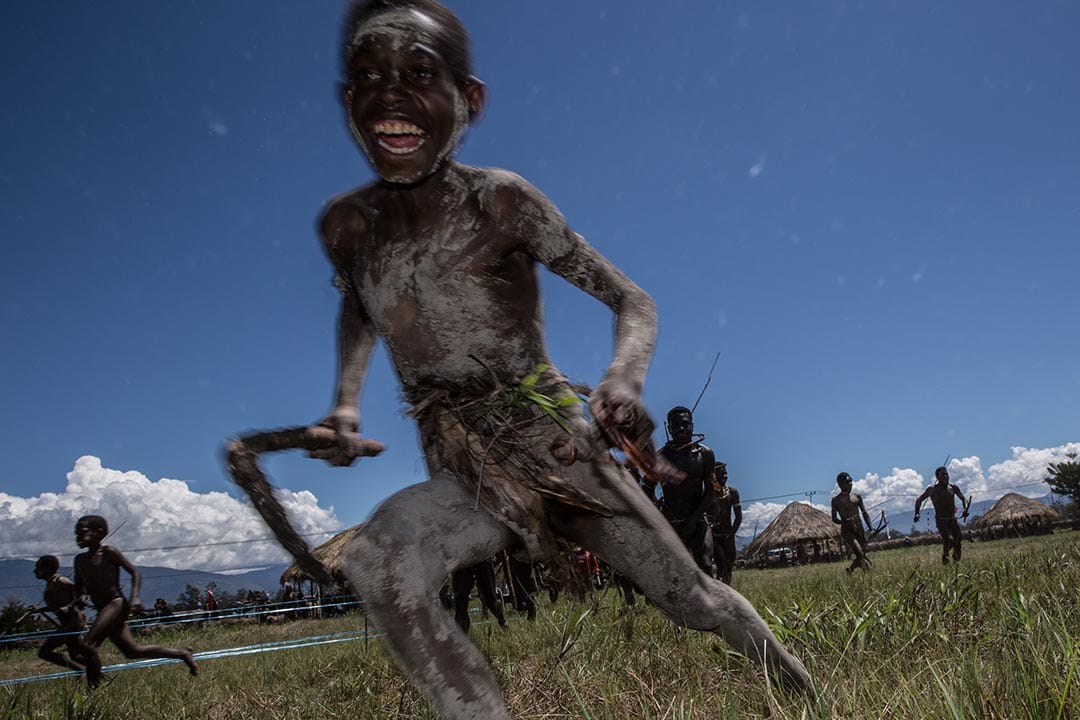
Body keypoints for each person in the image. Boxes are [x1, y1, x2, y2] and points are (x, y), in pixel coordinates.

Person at [243, 1, 810, 716]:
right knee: (377, 559)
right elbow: (360, 304)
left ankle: (806, 694)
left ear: (469, 101)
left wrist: (623, 377)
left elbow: (632, 300)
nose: (392, 95)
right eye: (370, 77)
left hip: (557, 446)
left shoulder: (501, 202)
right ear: (348, 99)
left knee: (695, 599)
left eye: (419, 74)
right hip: (465, 468)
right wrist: (345, 402)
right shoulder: (348, 228)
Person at [70, 515, 198, 688]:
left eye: (83, 532)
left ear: (98, 533)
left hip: (116, 604)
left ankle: (93, 688)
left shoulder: (109, 553)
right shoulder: (79, 560)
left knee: (87, 646)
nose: (78, 537)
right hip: (103, 609)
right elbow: (79, 587)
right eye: (76, 533)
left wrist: (135, 597)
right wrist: (81, 597)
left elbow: (135, 573)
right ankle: (181, 654)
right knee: (132, 651)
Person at [645, 406, 715, 572]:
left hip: (697, 519)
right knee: (671, 570)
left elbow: (710, 491)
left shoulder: (705, 454)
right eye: (676, 425)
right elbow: (647, 489)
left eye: (685, 424)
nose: (681, 428)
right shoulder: (660, 458)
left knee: (705, 564)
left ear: (692, 425)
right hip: (670, 522)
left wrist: (693, 520)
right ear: (669, 429)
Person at [32, 555, 87, 673]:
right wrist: (39, 610)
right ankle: (97, 674)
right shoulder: (50, 583)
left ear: (47, 568)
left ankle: (81, 670)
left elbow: (81, 594)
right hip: (66, 624)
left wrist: (68, 607)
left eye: (38, 568)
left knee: (44, 652)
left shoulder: (61, 581)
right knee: (76, 657)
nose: (35, 571)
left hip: (73, 624)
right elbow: (57, 607)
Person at [914, 466, 968, 564]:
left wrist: (965, 508)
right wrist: (917, 513)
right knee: (948, 540)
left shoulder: (953, 488)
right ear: (937, 477)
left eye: (947, 474)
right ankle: (945, 562)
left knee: (958, 540)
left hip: (953, 519)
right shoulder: (932, 489)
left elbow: (963, 499)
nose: (945, 476)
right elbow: (919, 500)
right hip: (941, 520)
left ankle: (956, 563)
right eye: (943, 474)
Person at [706, 461, 742, 584]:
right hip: (714, 535)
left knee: (728, 565)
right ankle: (720, 585)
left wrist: (731, 534)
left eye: (726, 474)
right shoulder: (707, 494)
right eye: (721, 474)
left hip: (728, 534)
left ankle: (726, 587)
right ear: (714, 476)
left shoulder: (733, 493)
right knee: (720, 561)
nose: (725, 476)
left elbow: (738, 517)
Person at [830, 472, 873, 574]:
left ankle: (850, 570)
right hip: (847, 530)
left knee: (863, 554)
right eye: (848, 482)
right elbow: (834, 518)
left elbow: (864, 513)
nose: (851, 484)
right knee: (859, 553)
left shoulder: (857, 496)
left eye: (851, 481)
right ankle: (868, 575)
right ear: (841, 484)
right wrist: (845, 522)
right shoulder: (836, 500)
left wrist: (871, 528)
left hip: (859, 528)